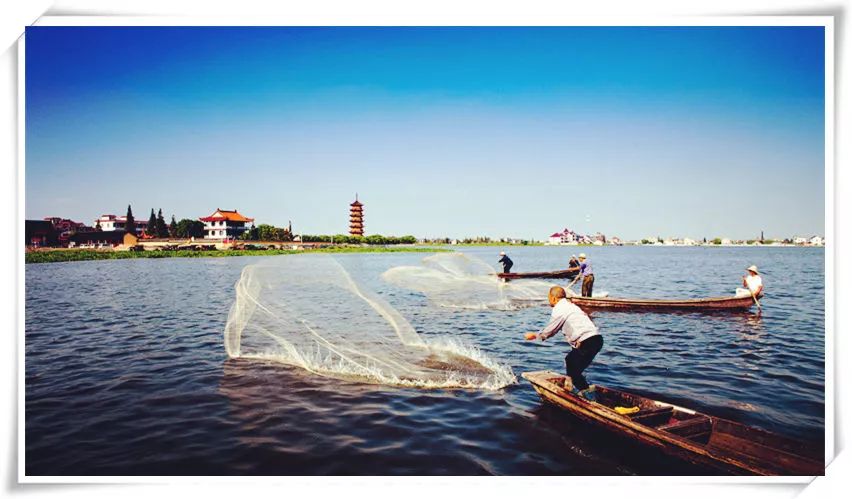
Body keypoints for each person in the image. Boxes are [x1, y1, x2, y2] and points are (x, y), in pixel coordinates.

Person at [529, 286, 603, 400]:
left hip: (587, 341)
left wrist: (536, 335)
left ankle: (589, 396)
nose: (549, 301)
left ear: (554, 298)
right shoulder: (571, 306)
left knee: (573, 369)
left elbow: (552, 329)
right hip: (596, 340)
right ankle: (579, 388)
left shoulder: (559, 308)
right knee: (572, 362)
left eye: (549, 298)